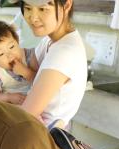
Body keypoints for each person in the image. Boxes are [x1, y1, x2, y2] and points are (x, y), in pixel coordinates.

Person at [19, 0, 88, 130]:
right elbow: (31, 74)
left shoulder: (64, 52)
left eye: (43, 9)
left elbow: (26, 115)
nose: (33, 18)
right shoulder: (48, 41)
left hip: (43, 139)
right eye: (28, 8)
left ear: (67, 5)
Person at [0, 20, 37, 105]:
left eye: (12, 46)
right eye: (1, 54)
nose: (10, 55)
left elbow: (42, 81)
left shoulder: (30, 56)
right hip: (12, 108)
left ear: (17, 41)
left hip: (36, 102)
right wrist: (9, 97)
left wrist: (25, 72)